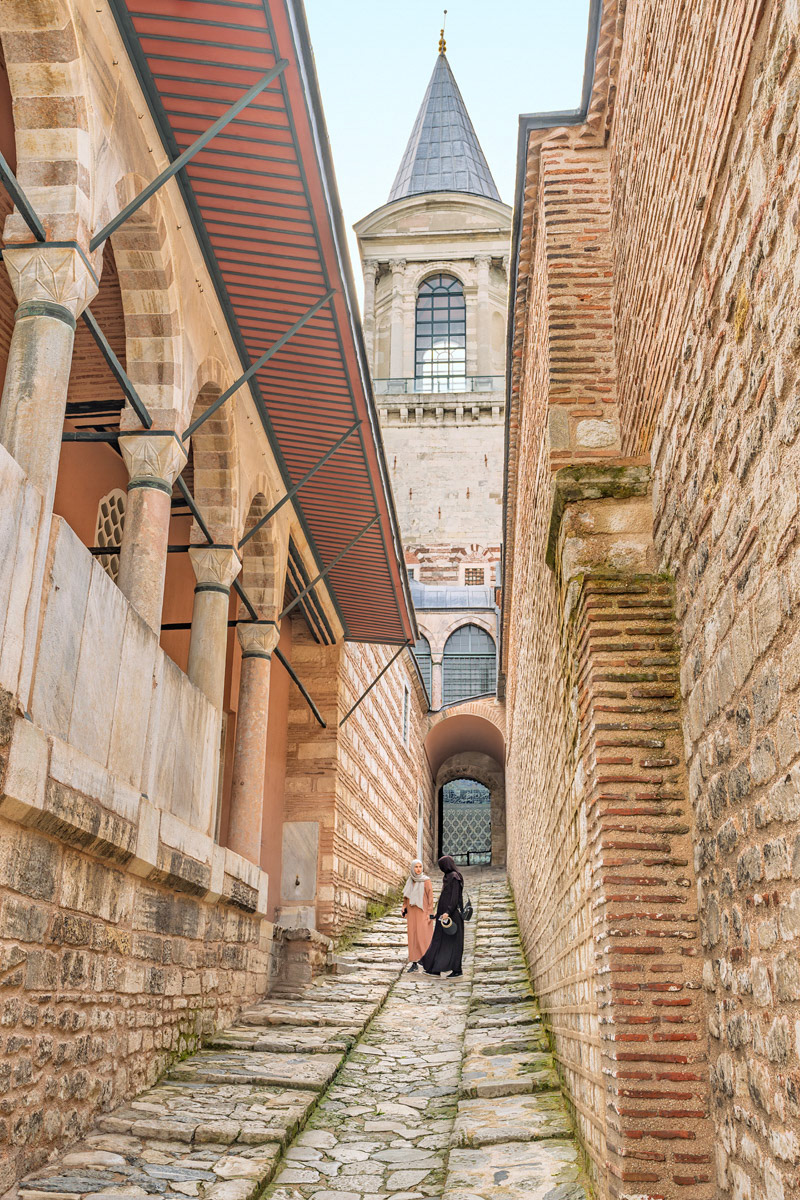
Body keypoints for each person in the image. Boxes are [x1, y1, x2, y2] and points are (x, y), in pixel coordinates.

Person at [420, 855, 464, 978]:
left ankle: (457, 969)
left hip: (451, 916)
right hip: (443, 915)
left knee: (453, 943)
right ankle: (434, 968)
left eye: (442, 866)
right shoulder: (448, 877)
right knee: (439, 941)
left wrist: (448, 912)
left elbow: (454, 898)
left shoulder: (454, 877)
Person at [401, 858, 433, 971]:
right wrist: (404, 906)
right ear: (412, 868)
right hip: (411, 912)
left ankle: (426, 960)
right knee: (412, 936)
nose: (418, 869)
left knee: (423, 936)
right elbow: (406, 896)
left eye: (420, 867)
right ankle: (414, 962)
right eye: (416, 867)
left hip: (422, 911)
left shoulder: (426, 880)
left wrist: (430, 912)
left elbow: (430, 898)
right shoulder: (410, 880)